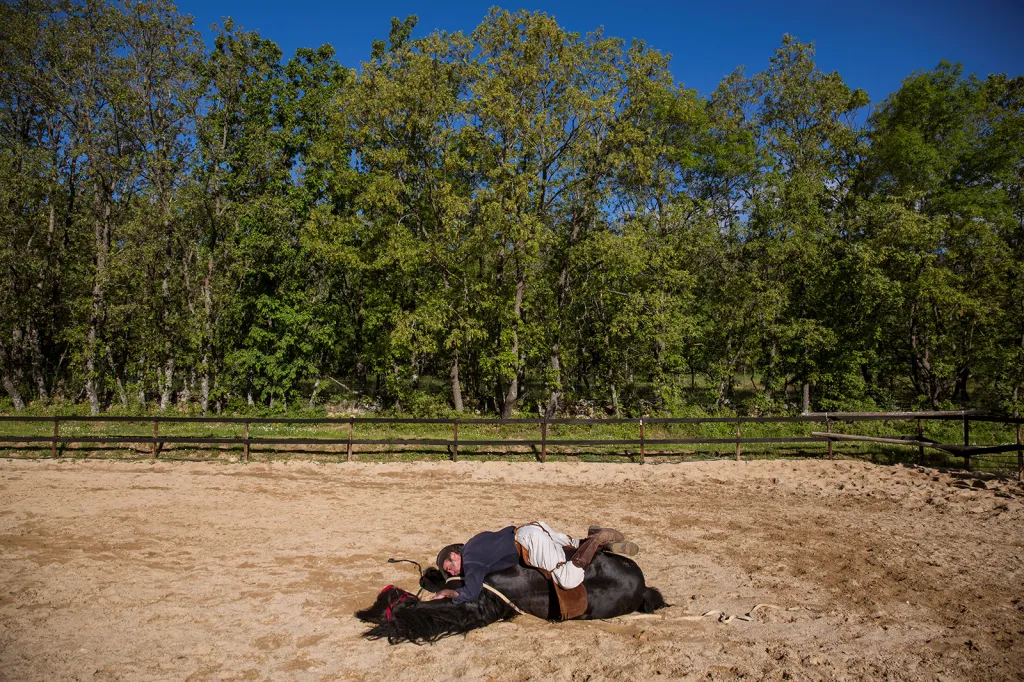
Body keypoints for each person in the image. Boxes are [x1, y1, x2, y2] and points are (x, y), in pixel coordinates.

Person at [431, 522, 638, 602]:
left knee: (567, 578)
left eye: (450, 568)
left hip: (530, 542)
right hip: (532, 528)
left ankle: (595, 540)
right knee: (571, 545)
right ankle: (598, 541)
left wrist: (449, 593)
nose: (452, 573)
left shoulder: (471, 560)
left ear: (455, 555)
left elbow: (472, 593)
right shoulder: (475, 540)